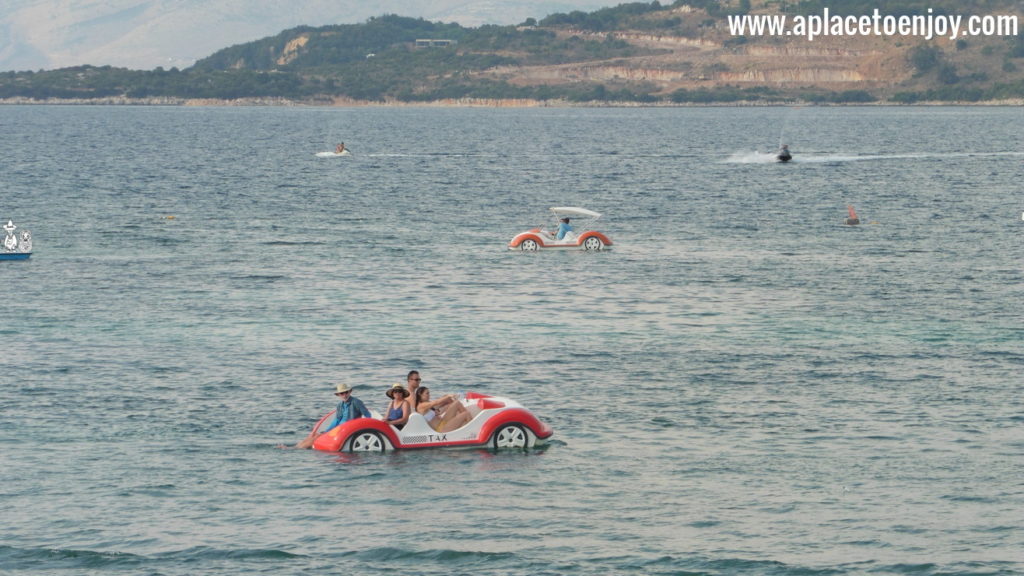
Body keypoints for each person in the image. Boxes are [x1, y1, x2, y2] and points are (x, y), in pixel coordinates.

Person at [294, 383, 371, 449]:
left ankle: (297, 449)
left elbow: (368, 415)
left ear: (349, 392)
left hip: (348, 429)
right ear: (338, 395)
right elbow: (337, 420)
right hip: (339, 429)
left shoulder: (356, 402)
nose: (344, 395)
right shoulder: (340, 405)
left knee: (318, 437)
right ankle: (296, 447)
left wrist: (365, 428)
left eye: (346, 392)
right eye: (342, 393)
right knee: (315, 435)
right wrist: (327, 431)